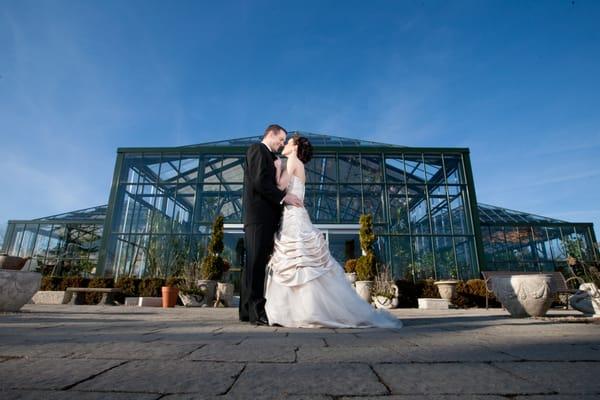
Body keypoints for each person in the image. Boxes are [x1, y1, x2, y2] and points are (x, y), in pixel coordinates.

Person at [265, 134, 402, 328]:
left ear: (295, 147)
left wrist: (277, 167)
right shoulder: (299, 164)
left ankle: (301, 311)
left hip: (293, 219)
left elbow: (280, 186)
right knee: (302, 264)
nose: (285, 145)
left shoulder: (292, 160)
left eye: (288, 142)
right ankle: (305, 310)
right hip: (295, 215)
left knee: (298, 263)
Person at [239, 124, 303, 325]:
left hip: (263, 218)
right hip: (259, 218)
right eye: (281, 139)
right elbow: (259, 182)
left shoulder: (270, 156)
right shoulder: (258, 149)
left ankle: (247, 312)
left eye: (285, 141)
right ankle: (257, 313)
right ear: (271, 134)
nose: (282, 143)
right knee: (256, 264)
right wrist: (284, 197)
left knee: (253, 264)